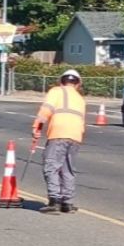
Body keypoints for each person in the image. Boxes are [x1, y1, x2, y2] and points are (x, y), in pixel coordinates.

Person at [32, 69, 86, 214]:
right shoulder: (80, 99)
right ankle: (67, 203)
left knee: (51, 166)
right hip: (75, 135)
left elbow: (46, 110)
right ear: (78, 84)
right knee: (68, 169)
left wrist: (36, 127)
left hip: (58, 133)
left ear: (61, 81)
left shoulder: (56, 91)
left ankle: (54, 201)